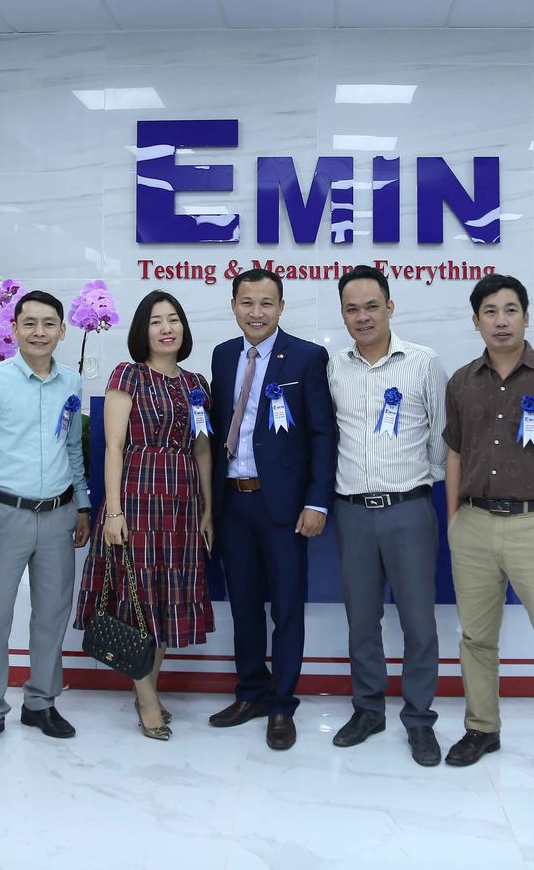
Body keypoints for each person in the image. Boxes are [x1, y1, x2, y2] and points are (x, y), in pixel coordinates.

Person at [442, 273, 534, 789]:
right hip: (474, 524)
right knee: (476, 638)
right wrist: (454, 519)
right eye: (490, 311)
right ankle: (482, 728)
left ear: (526, 317)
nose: (500, 321)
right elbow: (455, 453)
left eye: (510, 310)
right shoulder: (462, 381)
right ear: (476, 321)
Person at [73, 290, 216, 741]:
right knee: (136, 599)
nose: (166, 328)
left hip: (182, 503)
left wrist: (208, 510)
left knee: (166, 600)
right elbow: (113, 447)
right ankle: (147, 697)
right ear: (143, 330)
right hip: (136, 498)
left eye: (174, 319)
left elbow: (203, 450)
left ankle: (146, 691)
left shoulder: (196, 383)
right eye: (156, 321)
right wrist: (113, 511)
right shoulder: (128, 375)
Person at [0, 290, 92, 755]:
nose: (39, 332)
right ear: (13, 329)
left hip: (58, 516)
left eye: (48, 323)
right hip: (3, 516)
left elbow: (72, 449)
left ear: (62, 330)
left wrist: (82, 506)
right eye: (29, 323)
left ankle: (40, 703)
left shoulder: (70, 381)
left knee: (52, 614)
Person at [207, 268, 336, 750]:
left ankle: (281, 705)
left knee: (286, 607)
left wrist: (316, 500)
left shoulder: (306, 357)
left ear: (282, 307)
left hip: (282, 505)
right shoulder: (223, 355)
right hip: (232, 501)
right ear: (233, 306)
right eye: (247, 302)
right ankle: (250, 693)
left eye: (266, 303)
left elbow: (323, 435)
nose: (256, 312)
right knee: (243, 606)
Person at [326, 265, 448, 767]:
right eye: (352, 309)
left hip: (408, 510)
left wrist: (420, 486)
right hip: (353, 512)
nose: (363, 317)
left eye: (371, 306)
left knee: (419, 622)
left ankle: (419, 719)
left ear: (390, 308)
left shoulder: (423, 362)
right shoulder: (335, 368)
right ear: (343, 315)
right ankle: (368, 710)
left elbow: (442, 435)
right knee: (361, 621)